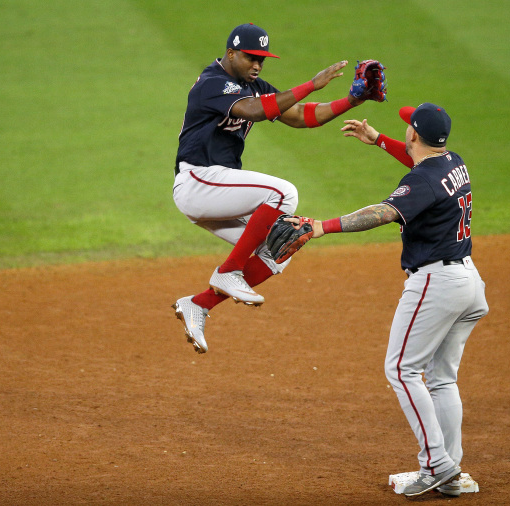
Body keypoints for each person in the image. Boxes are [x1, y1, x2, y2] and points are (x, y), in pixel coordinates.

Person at [288, 103, 488, 497]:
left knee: (401, 370)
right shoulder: (453, 161)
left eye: (405, 129)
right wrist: (378, 140)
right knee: (442, 379)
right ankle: (452, 471)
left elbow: (385, 211)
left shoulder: (424, 181)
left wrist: (323, 226)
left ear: (414, 133)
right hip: (469, 282)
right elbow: (421, 171)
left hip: (437, 282)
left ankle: (436, 465)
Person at [171, 23, 382, 354]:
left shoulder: (254, 85)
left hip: (218, 192)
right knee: (283, 193)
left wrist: (352, 101)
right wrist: (312, 84)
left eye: (262, 60)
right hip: (197, 180)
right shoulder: (212, 83)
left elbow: (299, 116)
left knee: (279, 249)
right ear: (230, 53)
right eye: (251, 58)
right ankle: (227, 272)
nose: (257, 65)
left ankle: (200, 303)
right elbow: (254, 110)